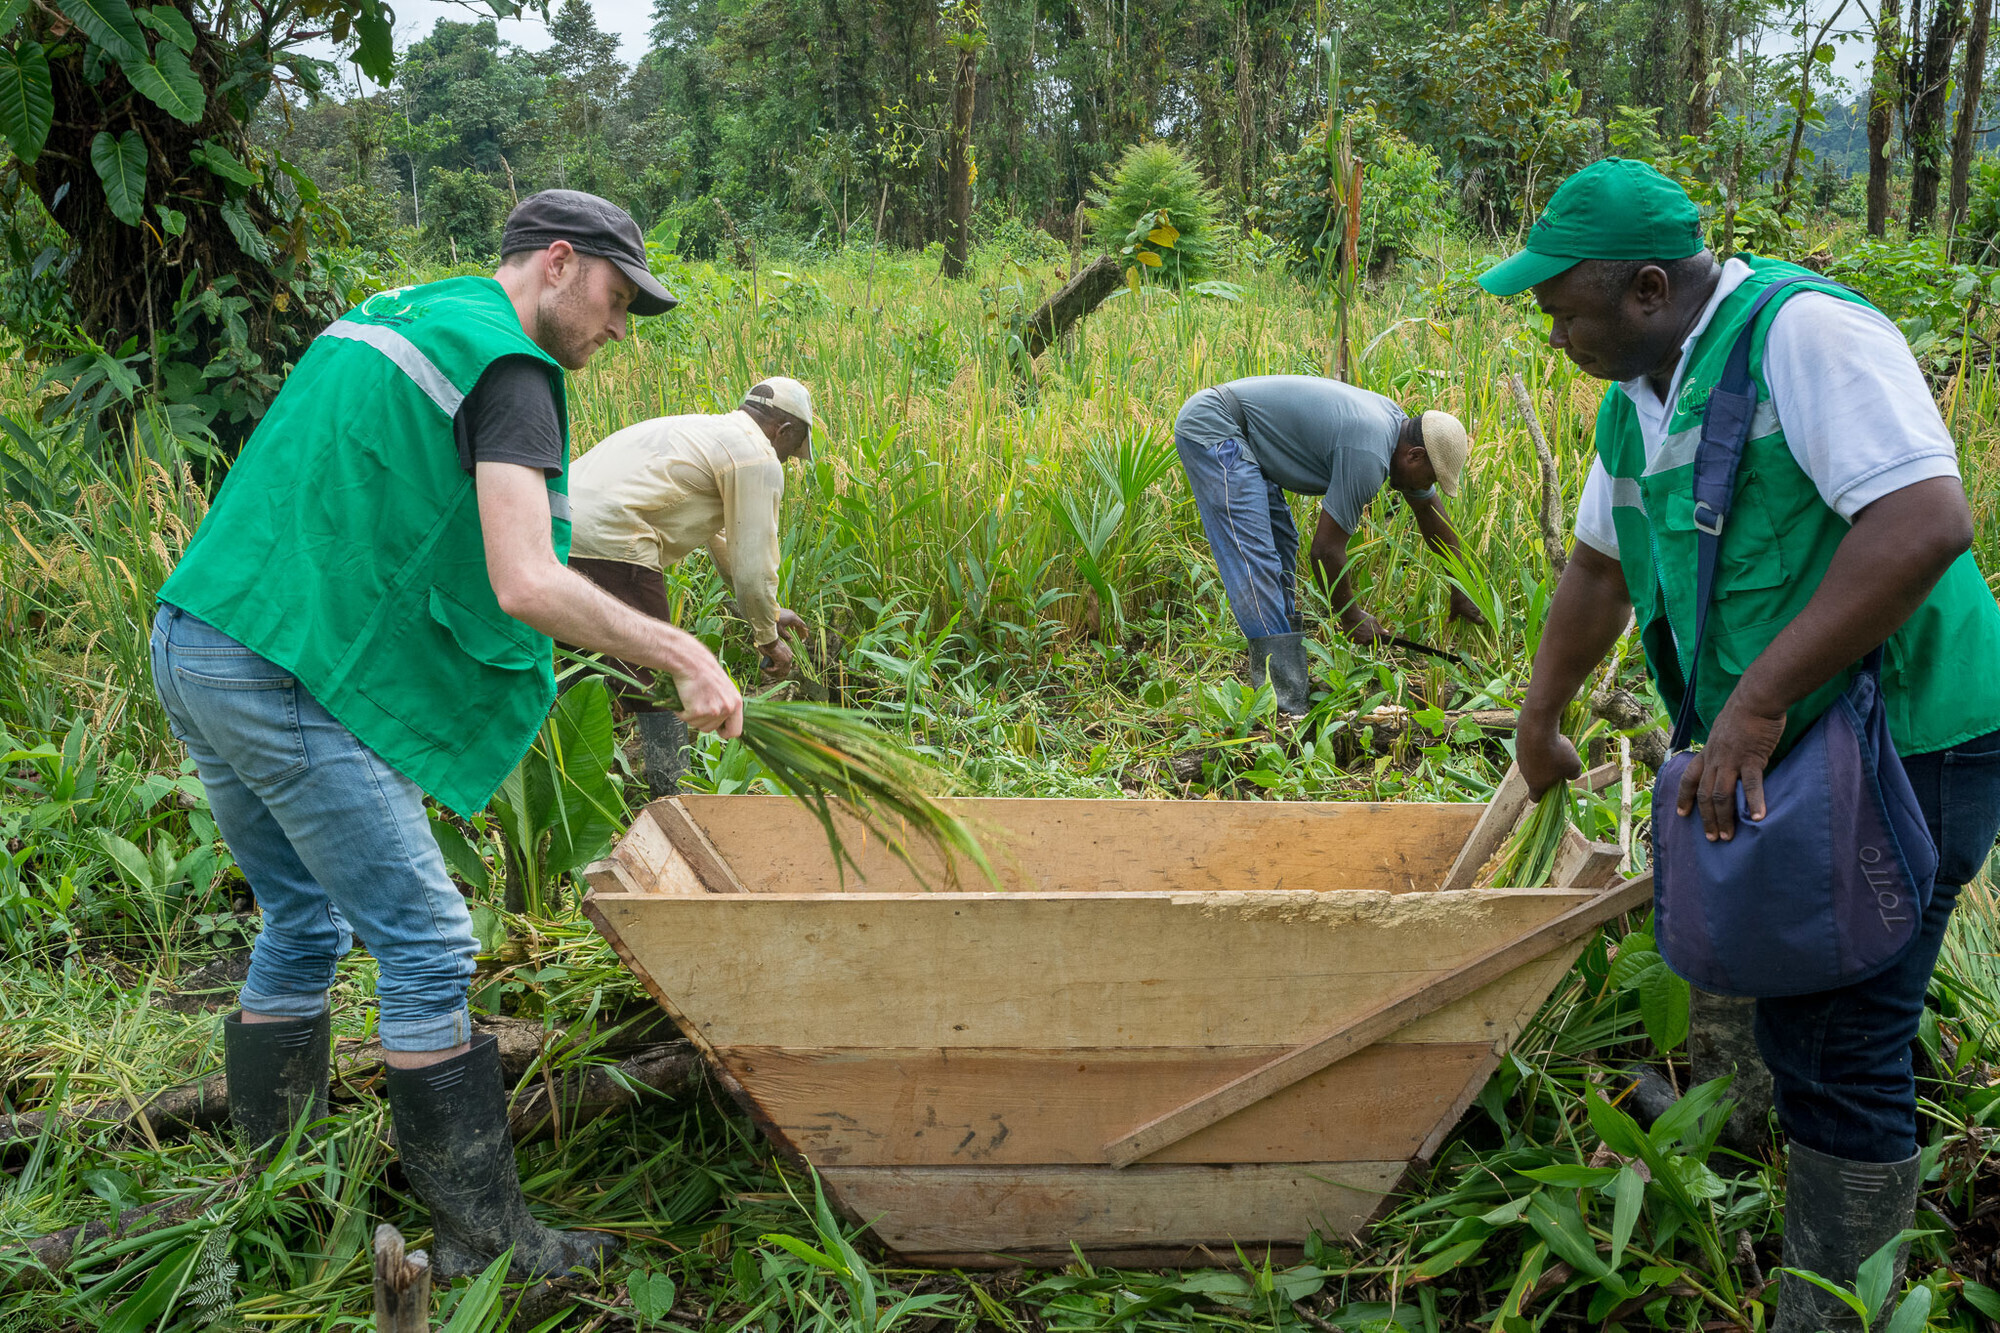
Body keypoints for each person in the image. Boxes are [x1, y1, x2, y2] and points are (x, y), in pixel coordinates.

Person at [150, 190, 745, 1282]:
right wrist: (681, 653)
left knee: (300, 917)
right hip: (282, 664)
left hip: (196, 636)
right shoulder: (511, 369)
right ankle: (487, 1244)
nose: (621, 328)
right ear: (558, 263)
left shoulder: (395, 313)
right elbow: (525, 581)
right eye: (619, 299)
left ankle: (278, 1189)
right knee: (427, 940)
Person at [1478, 158, 2000, 1333]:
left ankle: (1831, 1302)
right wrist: (1539, 714)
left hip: (1907, 734)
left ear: (1647, 289)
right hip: (1790, 739)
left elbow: (1923, 521)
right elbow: (1598, 568)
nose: (1550, 331)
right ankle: (1745, 1107)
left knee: (1847, 1026)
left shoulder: (1805, 337)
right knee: (1762, 942)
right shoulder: (1639, 392)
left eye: (1560, 307)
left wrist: (1754, 704)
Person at [1172, 375, 1484, 715]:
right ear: (1415, 456)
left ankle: (1288, 679)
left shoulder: (1397, 432)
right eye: (1431, 476)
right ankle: (1286, 706)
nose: (1428, 486)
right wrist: (1350, 617)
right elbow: (1325, 552)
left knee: (1280, 544)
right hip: (1218, 428)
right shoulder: (1369, 453)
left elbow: (1427, 508)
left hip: (1245, 436)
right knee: (1255, 560)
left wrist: (1460, 585)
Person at [566, 377, 815, 795]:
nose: (788, 461)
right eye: (793, 451)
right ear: (784, 430)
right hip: (614, 538)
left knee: (577, 663)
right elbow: (754, 566)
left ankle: (567, 778)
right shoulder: (758, 457)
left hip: (554, 527)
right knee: (660, 675)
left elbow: (724, 542)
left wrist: (768, 613)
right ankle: (672, 796)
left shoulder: (703, 431)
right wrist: (768, 640)